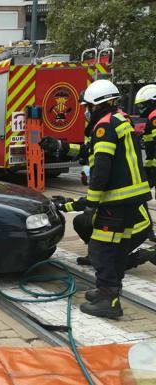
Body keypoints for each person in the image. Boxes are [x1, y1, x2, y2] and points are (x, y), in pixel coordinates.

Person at [51, 80, 152, 319]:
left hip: (114, 201)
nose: (86, 111)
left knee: (101, 249)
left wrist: (91, 204)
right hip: (130, 198)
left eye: (87, 106)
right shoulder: (119, 118)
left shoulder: (104, 125)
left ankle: (109, 301)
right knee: (116, 249)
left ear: (97, 104)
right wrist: (60, 146)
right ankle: (108, 292)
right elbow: (89, 152)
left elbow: (102, 169)